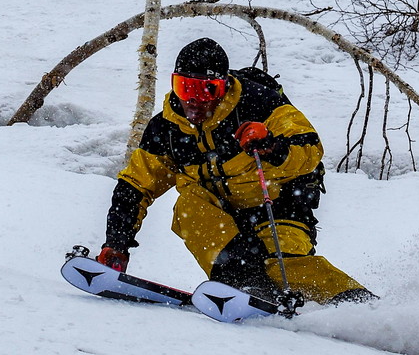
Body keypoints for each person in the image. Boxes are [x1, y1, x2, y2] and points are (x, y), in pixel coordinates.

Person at [97, 37, 375, 306]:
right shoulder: (166, 129)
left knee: (284, 270)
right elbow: (135, 185)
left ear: (223, 87)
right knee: (187, 207)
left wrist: (272, 147)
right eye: (184, 87)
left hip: (280, 206)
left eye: (206, 90)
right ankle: (242, 283)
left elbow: (310, 149)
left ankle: (362, 308)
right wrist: (116, 243)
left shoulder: (258, 104)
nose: (193, 100)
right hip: (221, 218)